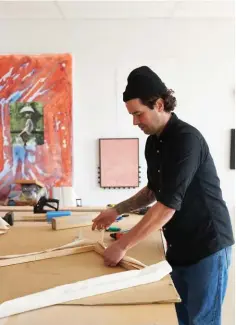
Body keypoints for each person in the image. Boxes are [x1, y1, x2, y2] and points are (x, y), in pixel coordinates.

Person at [92, 66, 234, 325]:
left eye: (138, 114)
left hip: (208, 245)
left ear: (159, 104)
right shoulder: (154, 142)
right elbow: (153, 191)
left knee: (203, 320)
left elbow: (167, 205)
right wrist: (117, 210)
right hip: (178, 246)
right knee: (181, 316)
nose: (135, 122)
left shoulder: (186, 140)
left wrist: (123, 245)